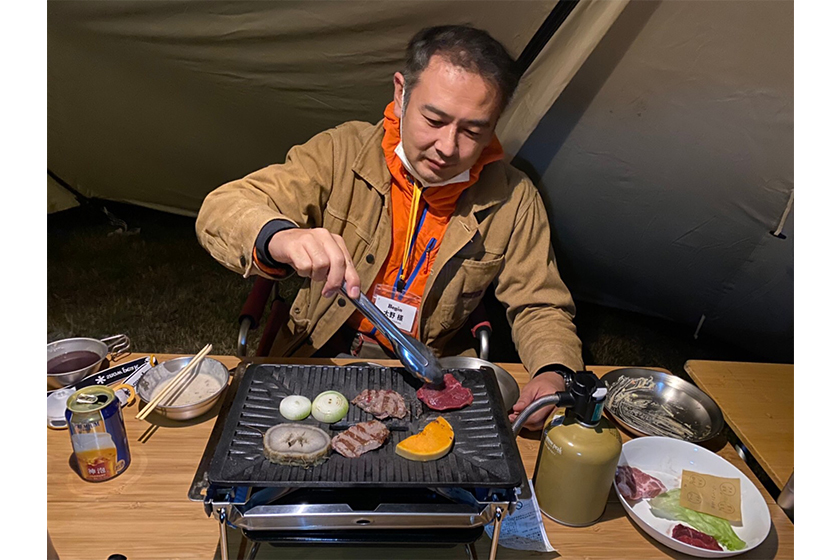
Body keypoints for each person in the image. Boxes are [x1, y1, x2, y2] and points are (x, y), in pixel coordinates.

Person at [196, 25, 583, 430]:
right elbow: (222, 209)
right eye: (433, 119)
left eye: (473, 131)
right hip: (321, 352)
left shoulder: (513, 197)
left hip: (429, 372)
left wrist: (554, 372)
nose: (448, 147)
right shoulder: (342, 152)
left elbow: (540, 305)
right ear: (401, 94)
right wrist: (281, 236)